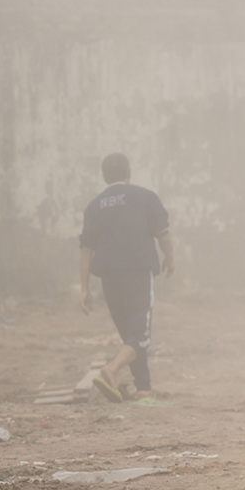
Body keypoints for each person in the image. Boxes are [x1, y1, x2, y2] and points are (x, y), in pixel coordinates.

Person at [78, 152, 173, 402]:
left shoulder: (94, 206)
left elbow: (86, 249)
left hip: (108, 277)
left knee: (130, 334)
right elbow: (163, 234)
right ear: (129, 173)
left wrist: (84, 288)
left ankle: (143, 388)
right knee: (139, 335)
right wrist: (169, 259)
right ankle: (112, 370)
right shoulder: (145, 197)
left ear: (103, 176)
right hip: (138, 272)